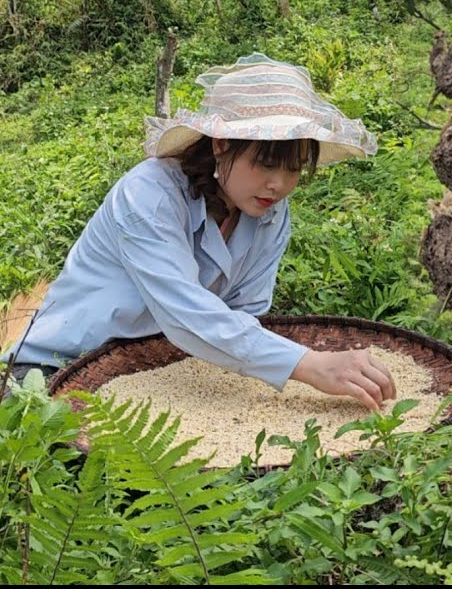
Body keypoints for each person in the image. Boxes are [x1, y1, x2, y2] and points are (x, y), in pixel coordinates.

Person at [1, 53, 397, 410]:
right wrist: (310, 364)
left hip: (165, 367)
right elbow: (187, 315)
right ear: (222, 143)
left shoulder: (269, 213)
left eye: (293, 168)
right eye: (264, 163)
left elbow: (245, 313)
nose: (278, 184)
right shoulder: (149, 197)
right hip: (54, 369)